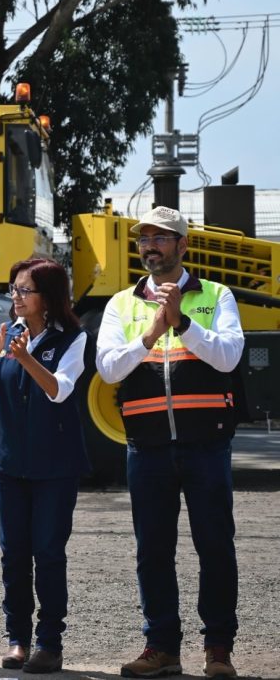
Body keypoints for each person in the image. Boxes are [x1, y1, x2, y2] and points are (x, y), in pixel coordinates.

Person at [96, 206, 243, 680]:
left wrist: (183, 323)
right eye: (146, 239)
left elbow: (228, 358)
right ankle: (162, 648)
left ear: (183, 246)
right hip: (148, 446)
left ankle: (218, 650)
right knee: (152, 550)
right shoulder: (121, 303)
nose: (151, 246)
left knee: (215, 547)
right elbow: (109, 369)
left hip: (206, 445)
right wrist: (152, 332)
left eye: (163, 239)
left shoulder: (217, 295)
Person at [0, 258, 89, 674]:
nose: (16, 297)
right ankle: (17, 638)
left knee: (48, 553)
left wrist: (24, 359)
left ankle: (49, 643)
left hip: (55, 464)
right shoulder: (11, 334)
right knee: (13, 554)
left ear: (48, 297)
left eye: (25, 290)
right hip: (10, 462)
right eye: (14, 290)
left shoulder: (73, 338)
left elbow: (60, 391)